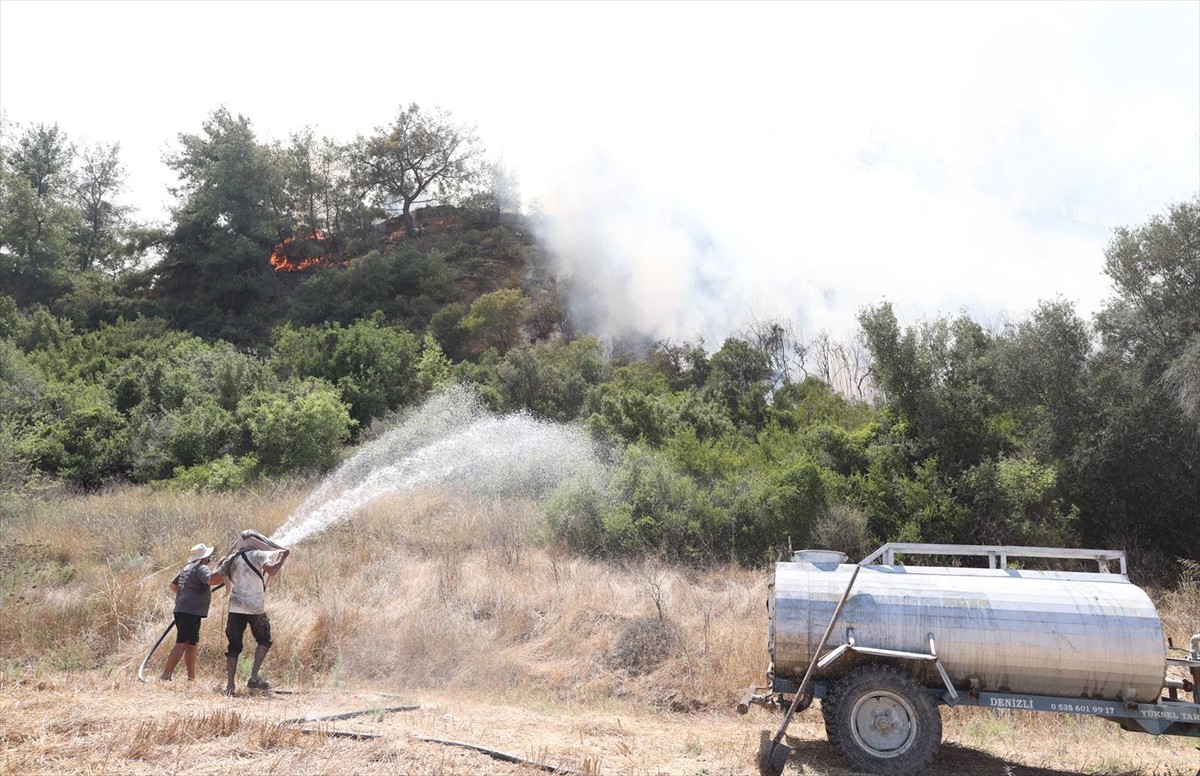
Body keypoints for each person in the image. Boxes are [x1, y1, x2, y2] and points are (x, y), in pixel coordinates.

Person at [217, 529, 290, 696]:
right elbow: (271, 571)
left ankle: (230, 686)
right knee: (264, 640)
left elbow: (218, 575)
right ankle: (254, 677)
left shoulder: (232, 558)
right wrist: (283, 557)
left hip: (235, 608)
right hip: (255, 607)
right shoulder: (258, 554)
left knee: (233, 646)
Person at [161, 542, 225, 681]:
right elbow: (211, 580)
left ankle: (191, 678)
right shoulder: (202, 568)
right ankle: (165, 676)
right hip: (190, 611)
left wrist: (185, 595)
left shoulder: (187, 569)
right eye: (208, 556)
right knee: (183, 642)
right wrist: (227, 574)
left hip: (183, 609)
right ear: (203, 558)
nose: (209, 559)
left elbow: (173, 586)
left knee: (192, 644)